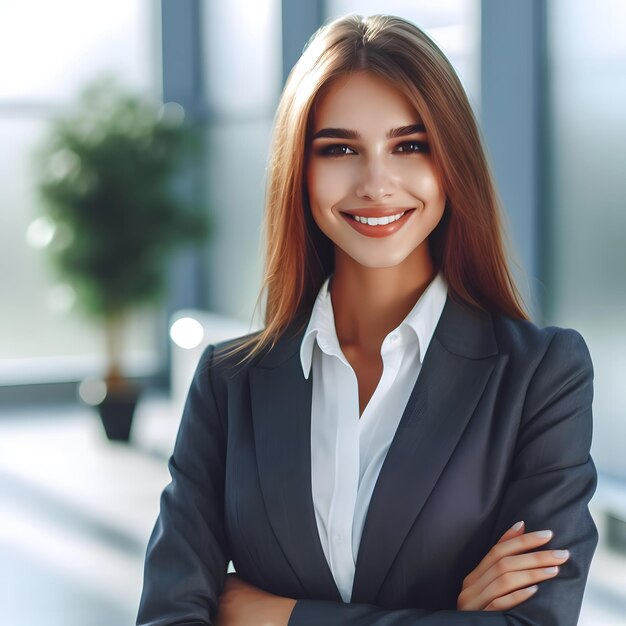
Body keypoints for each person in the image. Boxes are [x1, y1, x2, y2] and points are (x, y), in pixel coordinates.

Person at [136, 13, 598, 626]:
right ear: (299, 170)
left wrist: (279, 616)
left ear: (451, 161)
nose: (377, 183)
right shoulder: (228, 383)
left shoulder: (541, 375)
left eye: (410, 145)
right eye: (340, 149)